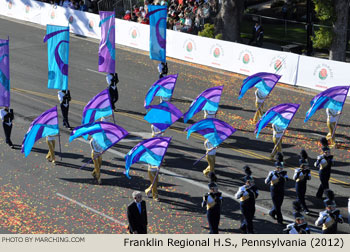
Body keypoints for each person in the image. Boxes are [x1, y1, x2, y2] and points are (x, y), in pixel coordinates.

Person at [265, 153, 288, 224]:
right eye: (279, 168)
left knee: (279, 204)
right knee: (278, 207)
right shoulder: (272, 173)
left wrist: (282, 177)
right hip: (274, 190)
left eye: (281, 168)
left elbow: (287, 180)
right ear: (276, 168)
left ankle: (272, 212)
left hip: (281, 189)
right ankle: (280, 220)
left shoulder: (284, 173)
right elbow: (266, 182)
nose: (280, 169)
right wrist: (270, 177)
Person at [235, 166, 258, 234]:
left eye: (252, 181)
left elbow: (256, 195)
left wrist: (252, 192)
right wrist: (241, 193)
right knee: (249, 220)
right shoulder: (242, 188)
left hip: (252, 204)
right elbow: (236, 196)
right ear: (247, 183)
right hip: (244, 206)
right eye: (250, 182)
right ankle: (250, 232)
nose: (252, 183)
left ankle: (243, 227)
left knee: (250, 218)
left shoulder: (254, 188)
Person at [293, 150, 311, 214]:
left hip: (304, 184)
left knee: (301, 197)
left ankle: (296, 206)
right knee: (301, 197)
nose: (307, 166)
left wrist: (307, 175)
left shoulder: (307, 171)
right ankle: (305, 209)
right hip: (298, 184)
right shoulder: (297, 170)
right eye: (305, 166)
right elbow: (294, 178)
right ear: (302, 166)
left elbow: (309, 178)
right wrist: (298, 174)